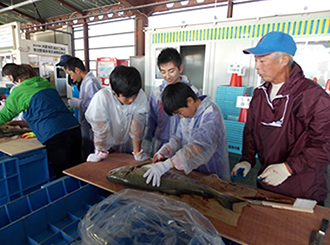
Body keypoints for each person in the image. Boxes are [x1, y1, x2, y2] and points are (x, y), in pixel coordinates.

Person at [230, 31, 330, 204]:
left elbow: (324, 145)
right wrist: (246, 159)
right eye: (255, 60)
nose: (256, 66)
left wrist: (288, 168)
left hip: (302, 188)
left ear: (283, 60)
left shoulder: (312, 96)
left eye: (262, 60)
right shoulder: (260, 93)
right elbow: (251, 131)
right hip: (267, 181)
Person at [0, 63, 82, 178]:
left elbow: (5, 114)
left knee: (63, 173)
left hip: (55, 133)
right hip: (73, 127)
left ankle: (70, 194)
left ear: (16, 78)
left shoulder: (20, 90)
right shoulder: (46, 84)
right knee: (78, 168)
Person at [143, 82, 230, 187]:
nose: (181, 117)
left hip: (211, 172)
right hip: (193, 173)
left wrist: (168, 164)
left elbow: (199, 146)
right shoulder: (189, 114)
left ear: (190, 101)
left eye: (180, 112)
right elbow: (179, 138)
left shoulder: (211, 113)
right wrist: (166, 149)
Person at [85, 65, 150, 162]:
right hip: (105, 144)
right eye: (126, 97)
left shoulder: (140, 95)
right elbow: (100, 129)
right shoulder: (102, 97)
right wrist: (100, 151)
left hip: (126, 142)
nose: (131, 100)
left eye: (134, 95)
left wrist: (137, 153)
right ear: (114, 92)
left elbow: (137, 126)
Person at [144, 48, 200, 156]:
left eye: (171, 71)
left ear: (180, 68)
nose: (167, 76)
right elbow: (151, 121)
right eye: (163, 72)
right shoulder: (157, 94)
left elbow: (197, 122)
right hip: (161, 145)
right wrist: (146, 144)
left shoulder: (192, 92)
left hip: (184, 146)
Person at [64, 57, 102, 161]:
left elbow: (96, 106)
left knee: (92, 152)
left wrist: (79, 103)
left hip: (92, 125)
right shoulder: (86, 81)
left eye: (70, 74)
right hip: (87, 124)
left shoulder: (91, 83)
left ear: (77, 70)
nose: (71, 78)